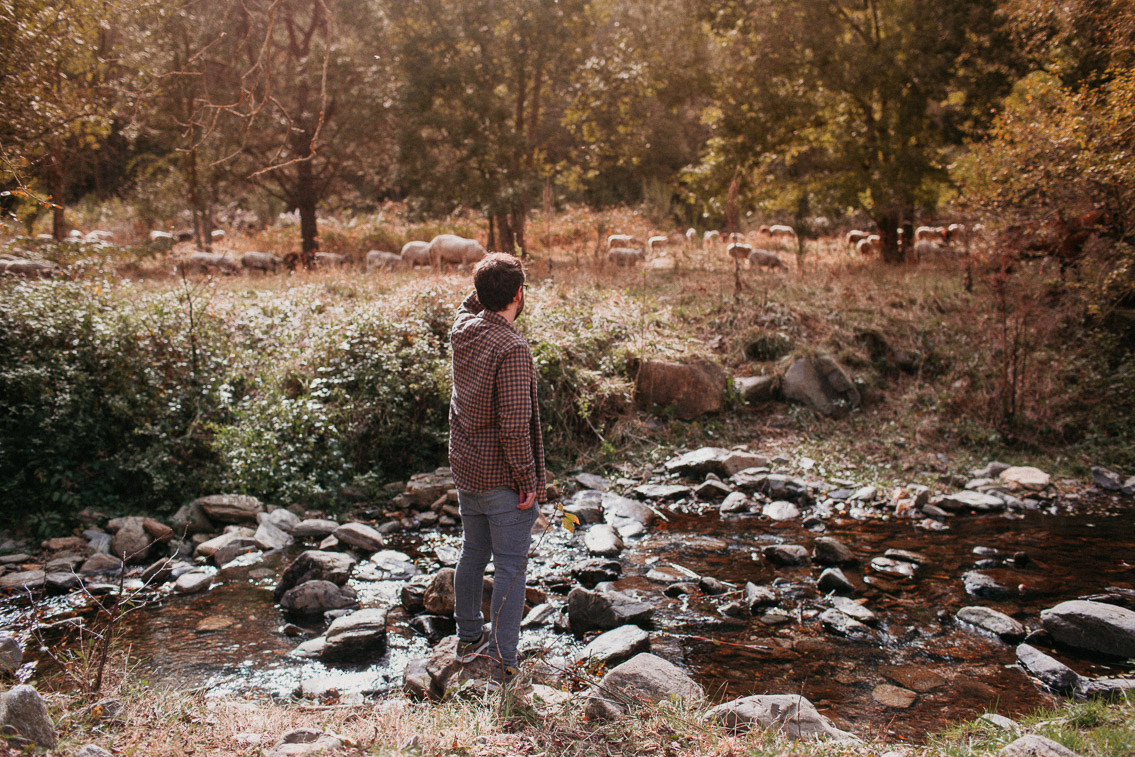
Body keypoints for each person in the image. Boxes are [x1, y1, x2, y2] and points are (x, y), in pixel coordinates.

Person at [448, 252, 545, 687]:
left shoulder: (463, 327)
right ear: (519, 295)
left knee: (473, 551)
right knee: (510, 566)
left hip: (466, 466)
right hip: (502, 476)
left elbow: (472, 302)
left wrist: (488, 283)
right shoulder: (512, 347)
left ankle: (469, 637)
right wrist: (528, 480)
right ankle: (504, 660)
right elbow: (513, 425)